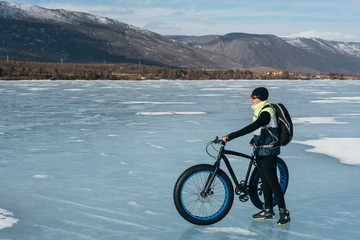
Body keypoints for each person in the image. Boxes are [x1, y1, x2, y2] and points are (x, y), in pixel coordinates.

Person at [222, 87, 290, 226]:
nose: (251, 99)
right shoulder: (260, 110)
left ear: (260, 97)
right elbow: (263, 129)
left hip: (269, 151)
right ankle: (268, 210)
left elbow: (253, 126)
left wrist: (232, 136)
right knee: (264, 181)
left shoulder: (266, 112)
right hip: (260, 150)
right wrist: (256, 140)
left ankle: (284, 212)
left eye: (253, 97)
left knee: (272, 182)